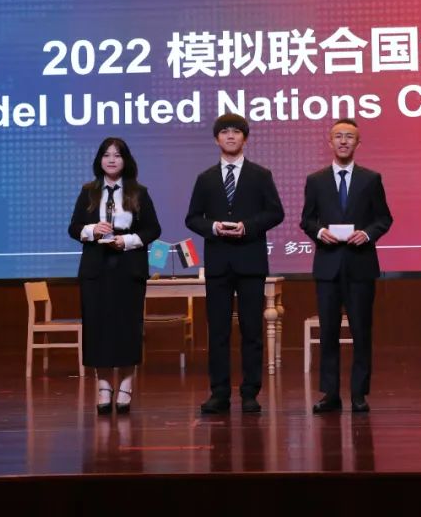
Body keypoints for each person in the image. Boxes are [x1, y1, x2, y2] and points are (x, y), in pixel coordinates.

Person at [185, 114, 284, 414]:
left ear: (245, 138)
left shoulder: (260, 175)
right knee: (218, 332)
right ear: (216, 139)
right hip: (218, 263)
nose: (230, 136)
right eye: (225, 132)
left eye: (236, 132)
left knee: (252, 330)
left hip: (251, 261)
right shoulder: (205, 178)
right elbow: (192, 218)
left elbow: (275, 213)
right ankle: (219, 393)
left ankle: (251, 392)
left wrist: (248, 227)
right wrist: (214, 227)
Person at [301, 118, 393, 413]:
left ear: (358, 143)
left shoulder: (371, 179)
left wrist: (367, 234)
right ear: (330, 142)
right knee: (328, 332)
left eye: (349, 137)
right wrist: (319, 232)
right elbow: (307, 219)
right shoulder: (316, 180)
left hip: (360, 265)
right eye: (338, 136)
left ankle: (359, 394)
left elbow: (384, 218)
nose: (343, 141)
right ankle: (330, 394)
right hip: (327, 266)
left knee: (361, 331)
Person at [68, 137, 161, 415]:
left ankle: (127, 384)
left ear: (125, 160)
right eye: (106, 155)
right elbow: (74, 228)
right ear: (99, 160)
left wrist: (127, 240)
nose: (111, 160)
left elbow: (153, 229)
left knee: (127, 327)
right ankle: (104, 386)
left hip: (128, 268)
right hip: (96, 268)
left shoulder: (139, 192)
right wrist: (91, 230)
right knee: (97, 328)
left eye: (117, 155)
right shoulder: (89, 192)